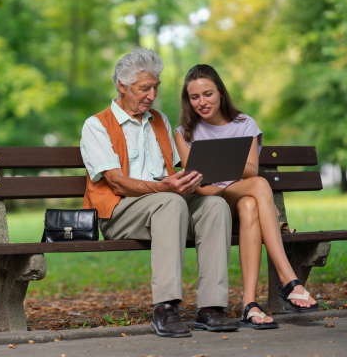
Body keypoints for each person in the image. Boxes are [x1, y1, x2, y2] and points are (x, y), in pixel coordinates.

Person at [80, 49, 238, 338]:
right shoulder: (96, 125)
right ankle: (165, 309)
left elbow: (175, 171)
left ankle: (211, 308)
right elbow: (117, 183)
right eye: (144, 88)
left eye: (155, 87)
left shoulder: (159, 121)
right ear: (121, 86)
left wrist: (191, 180)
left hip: (167, 206)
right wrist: (166, 187)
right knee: (170, 201)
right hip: (120, 212)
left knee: (215, 207)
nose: (152, 95)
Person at [174, 64, 319, 330]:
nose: (202, 102)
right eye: (194, 97)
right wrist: (225, 171)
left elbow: (251, 169)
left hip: (243, 203)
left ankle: (249, 304)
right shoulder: (184, 132)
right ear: (187, 99)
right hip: (210, 204)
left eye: (208, 94)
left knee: (252, 203)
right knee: (260, 186)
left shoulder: (244, 124)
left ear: (220, 93)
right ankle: (290, 280)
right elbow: (196, 185)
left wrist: (213, 164)